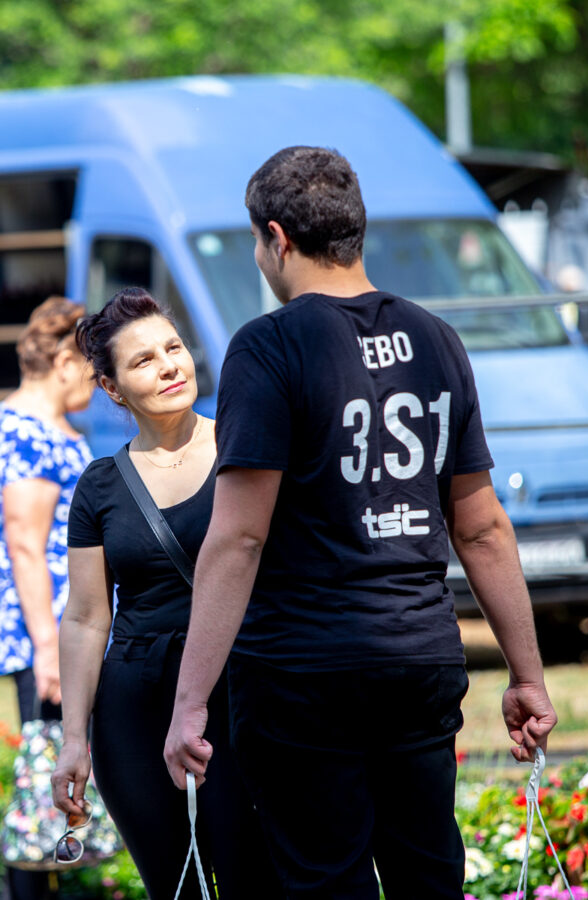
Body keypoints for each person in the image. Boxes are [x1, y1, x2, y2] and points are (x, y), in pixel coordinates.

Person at [164, 146, 558, 899]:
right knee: (427, 876)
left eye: (255, 242)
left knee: (326, 881)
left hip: (302, 671)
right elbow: (482, 529)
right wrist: (528, 675)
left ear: (276, 238)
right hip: (419, 660)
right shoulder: (436, 339)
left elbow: (240, 537)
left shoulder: (268, 346)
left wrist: (189, 704)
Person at [51, 288, 283, 900]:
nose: (169, 366)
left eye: (173, 348)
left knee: (254, 880)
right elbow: (86, 617)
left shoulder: (245, 448)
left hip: (239, 695)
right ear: (112, 388)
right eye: (144, 360)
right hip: (134, 709)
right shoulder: (100, 485)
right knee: (173, 888)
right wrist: (73, 739)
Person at [0, 296, 94, 900]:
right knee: (45, 783)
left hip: (66, 627)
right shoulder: (28, 432)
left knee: (55, 777)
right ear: (63, 362)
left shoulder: (43, 427)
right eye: (92, 368)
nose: (98, 381)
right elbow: (25, 544)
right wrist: (46, 647)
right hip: (50, 633)